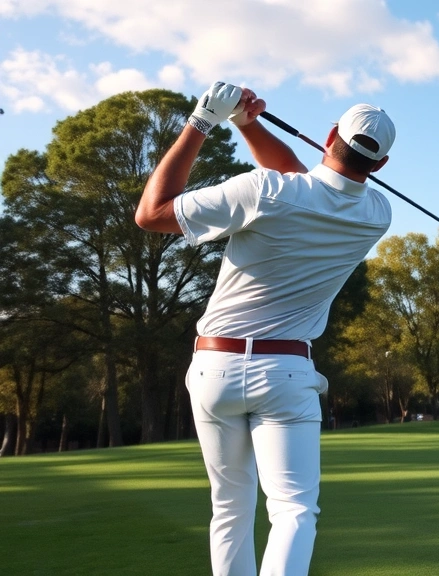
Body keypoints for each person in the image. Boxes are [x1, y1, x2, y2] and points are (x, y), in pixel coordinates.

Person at [135, 81, 395, 575]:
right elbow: (304, 180)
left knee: (229, 508)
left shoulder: (265, 190)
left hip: (215, 367)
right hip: (287, 374)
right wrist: (248, 125)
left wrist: (202, 122)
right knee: (293, 510)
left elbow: (151, 214)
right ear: (380, 165)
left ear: (330, 134)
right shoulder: (376, 215)